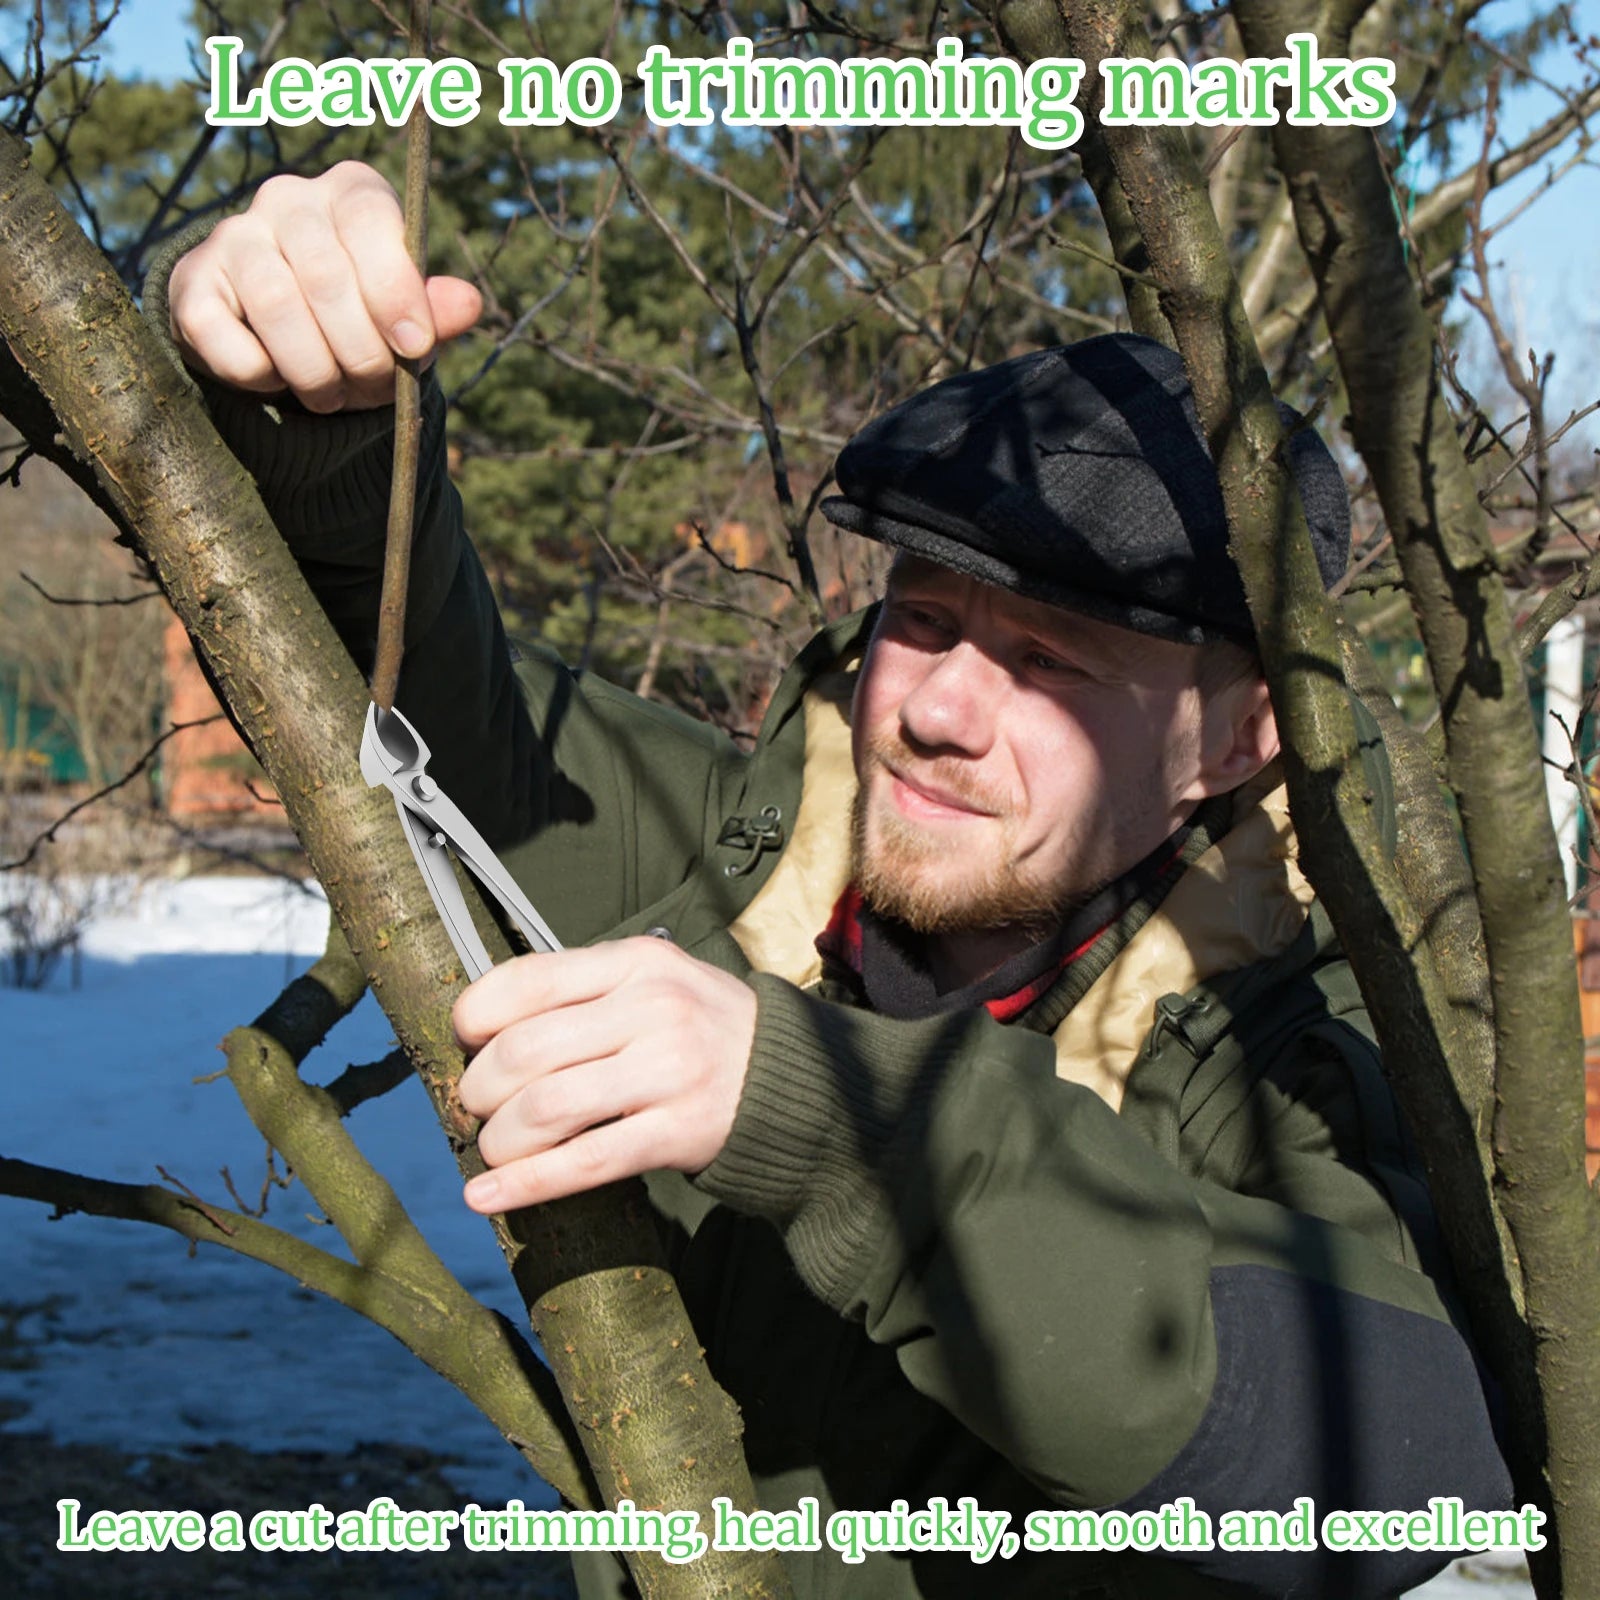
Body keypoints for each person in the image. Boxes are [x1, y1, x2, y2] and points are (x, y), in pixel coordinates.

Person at [152, 161, 1513, 1598]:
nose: (938, 710)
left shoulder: (1313, 1047)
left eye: (1053, 663)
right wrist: (327, 419)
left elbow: (1406, 1466)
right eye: (923, 620)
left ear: (1234, 738)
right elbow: (417, 711)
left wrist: (833, 1119)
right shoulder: (736, 862)